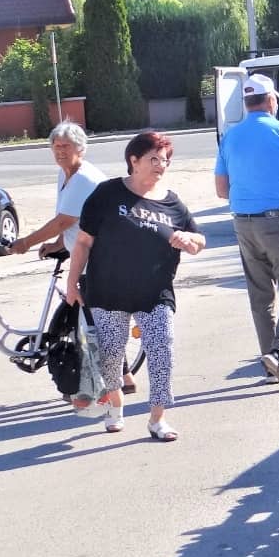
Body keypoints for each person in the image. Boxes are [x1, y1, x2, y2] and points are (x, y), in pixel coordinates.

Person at [66, 132, 205, 441]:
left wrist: (190, 241)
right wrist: (72, 282)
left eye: (165, 160)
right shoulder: (107, 193)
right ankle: (115, 406)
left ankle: (158, 418)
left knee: (162, 348)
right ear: (134, 160)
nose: (161, 166)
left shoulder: (172, 202)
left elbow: (199, 240)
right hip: (108, 291)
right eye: (153, 159)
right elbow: (84, 242)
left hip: (155, 292)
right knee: (111, 356)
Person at [10, 121, 137, 396]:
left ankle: (120, 382)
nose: (60, 152)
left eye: (66, 146)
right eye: (56, 147)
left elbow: (62, 221)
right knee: (93, 318)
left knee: (96, 321)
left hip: (103, 259)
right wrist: (58, 244)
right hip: (87, 255)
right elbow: (71, 219)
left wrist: (26, 242)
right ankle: (121, 377)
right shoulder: (66, 174)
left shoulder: (84, 179)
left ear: (81, 149)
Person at [214, 73, 279, 389]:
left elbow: (221, 190)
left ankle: (270, 366)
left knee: (260, 295)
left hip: (243, 222)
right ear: (271, 100)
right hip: (278, 221)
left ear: (247, 103)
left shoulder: (231, 136)